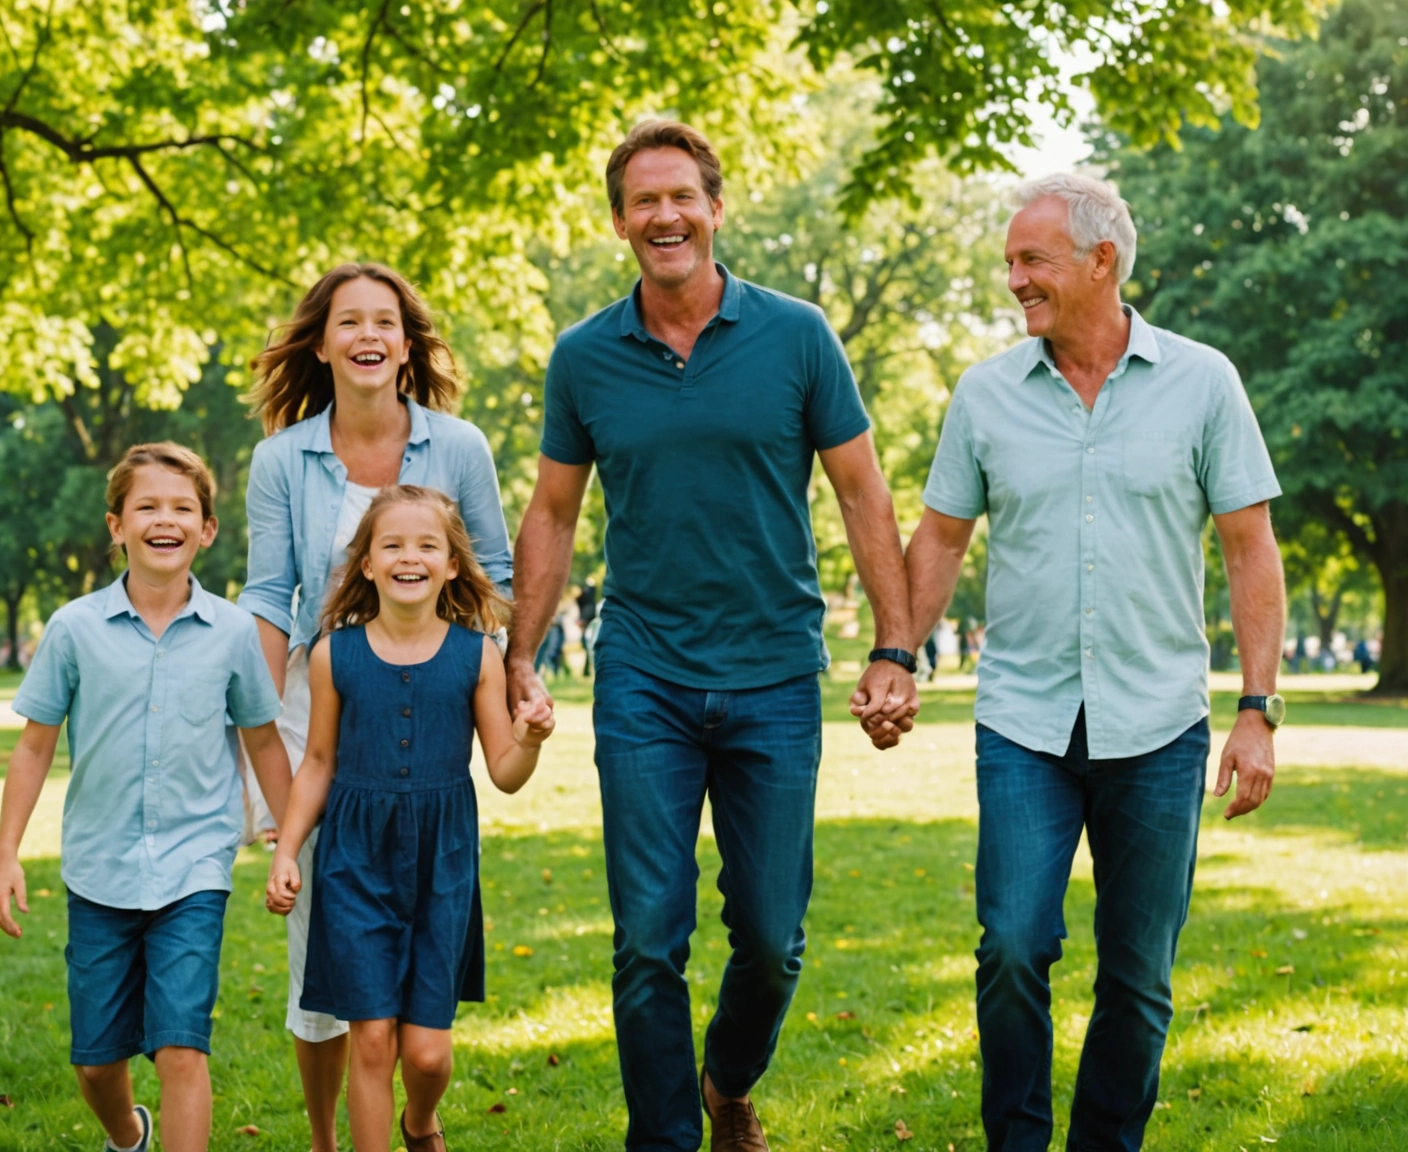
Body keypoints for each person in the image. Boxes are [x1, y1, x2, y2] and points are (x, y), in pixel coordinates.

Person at [505, 119, 920, 1152]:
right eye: (642, 201)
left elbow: (863, 493)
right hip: (642, 672)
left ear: (716, 207)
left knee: (773, 938)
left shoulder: (796, 335)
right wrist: (520, 653)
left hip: (775, 670)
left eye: (680, 196)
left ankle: (728, 1081)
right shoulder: (584, 356)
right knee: (648, 939)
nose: (664, 216)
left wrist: (894, 645)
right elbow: (553, 513)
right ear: (618, 223)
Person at [899, 172, 1287, 1152]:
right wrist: (895, 653)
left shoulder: (1204, 382)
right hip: (1023, 721)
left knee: (1139, 976)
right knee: (1014, 949)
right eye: (1009, 264)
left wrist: (1257, 710)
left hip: (1159, 723)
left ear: (1100, 261)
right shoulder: (985, 394)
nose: (1013, 280)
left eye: (1031, 262)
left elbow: (1250, 545)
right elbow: (941, 537)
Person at [239, 261, 513, 1151]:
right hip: (317, 710)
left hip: (429, 699)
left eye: (383, 322)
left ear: (405, 343)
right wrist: (246, 726)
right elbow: (271, 595)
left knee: (411, 1013)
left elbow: (493, 580)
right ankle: (328, 1138)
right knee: (320, 947)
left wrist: (499, 686)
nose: (366, 336)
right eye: (347, 322)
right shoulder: (282, 458)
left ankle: (413, 1118)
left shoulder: (459, 447)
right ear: (321, 343)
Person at [0, 442, 294, 1152]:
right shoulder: (74, 629)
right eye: (147, 507)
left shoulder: (232, 634)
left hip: (195, 867)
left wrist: (293, 836)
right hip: (99, 869)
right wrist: (7, 854)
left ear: (208, 529)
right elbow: (34, 747)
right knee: (96, 1063)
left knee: (182, 1047)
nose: (166, 520)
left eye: (183, 508)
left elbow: (264, 743)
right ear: (116, 526)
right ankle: (129, 1136)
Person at [265, 485, 552, 1152]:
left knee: (425, 1055)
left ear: (452, 564)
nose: (408, 557)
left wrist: (531, 740)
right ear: (365, 563)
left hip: (441, 866)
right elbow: (316, 764)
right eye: (391, 544)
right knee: (369, 1037)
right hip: (353, 863)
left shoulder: (476, 655)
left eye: (427, 545)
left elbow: (505, 772)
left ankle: (420, 1122)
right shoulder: (333, 654)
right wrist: (287, 850)